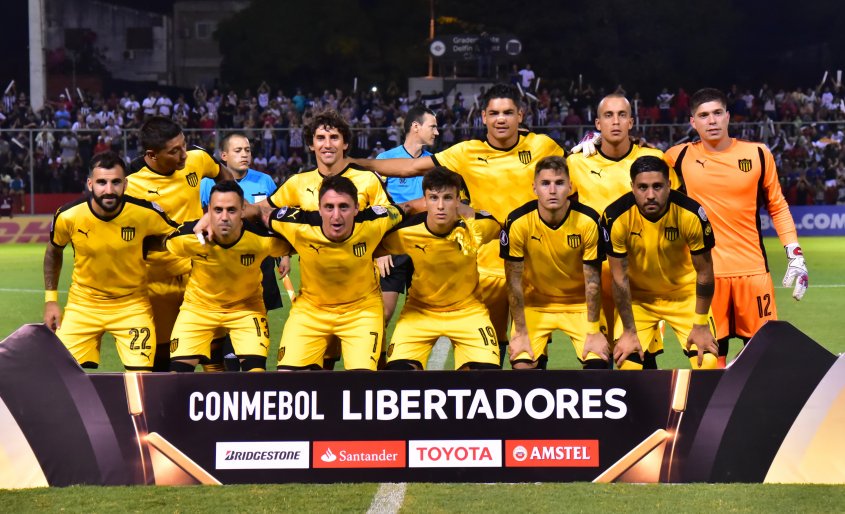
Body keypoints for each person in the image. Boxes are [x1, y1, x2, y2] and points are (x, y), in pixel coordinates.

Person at [352, 83, 565, 365]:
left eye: (508, 112)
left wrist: (594, 143)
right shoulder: (465, 153)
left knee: (531, 357)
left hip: (533, 267)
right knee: (493, 352)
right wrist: (354, 162)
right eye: (494, 113)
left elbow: (573, 175)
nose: (501, 119)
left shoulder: (543, 146)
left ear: (521, 116)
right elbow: (410, 168)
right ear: (484, 117)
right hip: (486, 268)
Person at [664, 88, 808, 367]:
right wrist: (597, 143)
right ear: (693, 122)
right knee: (709, 364)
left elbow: (777, 205)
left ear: (728, 116)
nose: (712, 120)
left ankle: (762, 412)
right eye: (704, 115)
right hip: (707, 277)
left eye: (718, 113)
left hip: (753, 273)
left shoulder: (757, 154)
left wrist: (795, 254)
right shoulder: (676, 157)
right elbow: (634, 169)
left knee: (763, 362)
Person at [43, 151, 179, 371]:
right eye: (101, 182)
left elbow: (174, 236)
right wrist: (51, 300)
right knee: (62, 375)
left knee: (141, 379)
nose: (109, 190)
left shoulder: (145, 212)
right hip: (83, 306)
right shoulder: (68, 215)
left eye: (116, 182)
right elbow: (53, 252)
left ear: (125, 184)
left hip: (132, 307)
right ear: (90, 184)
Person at [566, 94, 682, 346]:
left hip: (641, 278)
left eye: (622, 115)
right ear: (597, 124)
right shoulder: (576, 163)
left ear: (631, 122)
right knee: (599, 354)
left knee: (640, 357)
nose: (615, 121)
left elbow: (676, 209)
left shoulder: (654, 159)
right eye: (608, 115)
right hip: (594, 276)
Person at [126, 116, 231, 371]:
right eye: (174, 151)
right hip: (158, 281)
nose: (184, 155)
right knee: (163, 357)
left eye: (184, 145)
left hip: (201, 273)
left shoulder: (197, 158)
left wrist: (215, 211)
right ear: (152, 154)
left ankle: (216, 407)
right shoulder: (131, 183)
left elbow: (224, 179)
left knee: (215, 349)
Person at [265, 175, 403, 370]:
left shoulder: (376, 220)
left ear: (356, 208)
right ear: (319, 208)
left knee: (361, 384)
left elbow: (407, 209)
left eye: (344, 207)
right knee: (289, 380)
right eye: (329, 207)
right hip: (311, 311)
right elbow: (259, 213)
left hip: (360, 312)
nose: (336, 216)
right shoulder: (297, 224)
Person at [601, 156, 718, 370]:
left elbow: (705, 272)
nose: (651, 195)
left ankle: (689, 404)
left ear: (669, 185)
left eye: (657, 186)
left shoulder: (691, 213)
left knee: (707, 362)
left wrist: (700, 323)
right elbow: (619, 279)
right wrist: (628, 331)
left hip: (685, 296)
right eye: (643, 187)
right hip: (640, 301)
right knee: (627, 364)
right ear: (632, 187)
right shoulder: (614, 217)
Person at [380, 167, 501, 370]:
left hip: (468, 312)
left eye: (447, 198)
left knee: (485, 379)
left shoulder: (479, 225)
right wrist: (379, 253)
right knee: (398, 377)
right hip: (419, 313)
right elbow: (367, 246)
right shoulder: (406, 231)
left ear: (458, 200)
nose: (441, 206)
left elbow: (506, 232)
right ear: (425, 201)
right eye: (434, 198)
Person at [166, 181, 291, 372]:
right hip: (198, 309)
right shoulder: (189, 238)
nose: (224, 217)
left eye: (231, 210)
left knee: (256, 376)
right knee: (176, 376)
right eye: (218, 210)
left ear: (243, 210)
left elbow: (301, 242)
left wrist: (287, 256)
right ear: (208, 211)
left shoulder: (262, 239)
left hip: (246, 310)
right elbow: (161, 241)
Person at [501, 156, 608, 370]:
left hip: (580, 306)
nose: (552, 190)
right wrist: (521, 333)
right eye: (545, 183)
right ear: (534, 188)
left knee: (599, 368)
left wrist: (594, 330)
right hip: (535, 304)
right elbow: (513, 282)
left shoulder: (588, 220)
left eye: (559, 183)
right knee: (522, 368)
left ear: (570, 187)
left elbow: (593, 282)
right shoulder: (517, 222)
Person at [199, 132, 284, 371]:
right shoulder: (207, 183)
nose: (244, 154)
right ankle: (225, 372)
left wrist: (282, 255)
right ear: (224, 156)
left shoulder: (265, 181)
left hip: (260, 260)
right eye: (238, 151)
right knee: (221, 326)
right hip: (222, 262)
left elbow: (274, 219)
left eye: (247, 150)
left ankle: (253, 368)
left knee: (256, 319)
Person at [378, 106, 439, 343]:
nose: (436, 131)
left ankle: (415, 374)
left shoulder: (436, 163)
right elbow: (374, 206)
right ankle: (376, 374)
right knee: (382, 313)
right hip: (393, 246)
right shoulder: (385, 161)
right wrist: (379, 248)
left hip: (426, 247)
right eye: (432, 126)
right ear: (416, 127)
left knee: (424, 317)